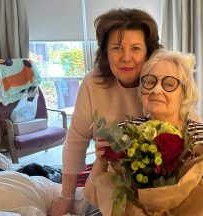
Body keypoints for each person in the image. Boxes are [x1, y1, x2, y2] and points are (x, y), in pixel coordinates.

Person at [85, 50, 203, 216]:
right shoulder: (126, 133)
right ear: (142, 91)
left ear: (184, 94)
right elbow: (92, 198)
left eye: (169, 84)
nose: (156, 90)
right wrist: (100, 162)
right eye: (149, 82)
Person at [48, 8, 161, 216]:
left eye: (136, 48)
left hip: (156, 187)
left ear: (149, 52)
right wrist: (66, 197)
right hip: (107, 183)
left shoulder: (161, 82)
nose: (125, 58)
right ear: (105, 52)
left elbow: (191, 127)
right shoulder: (93, 83)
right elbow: (75, 142)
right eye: (117, 48)